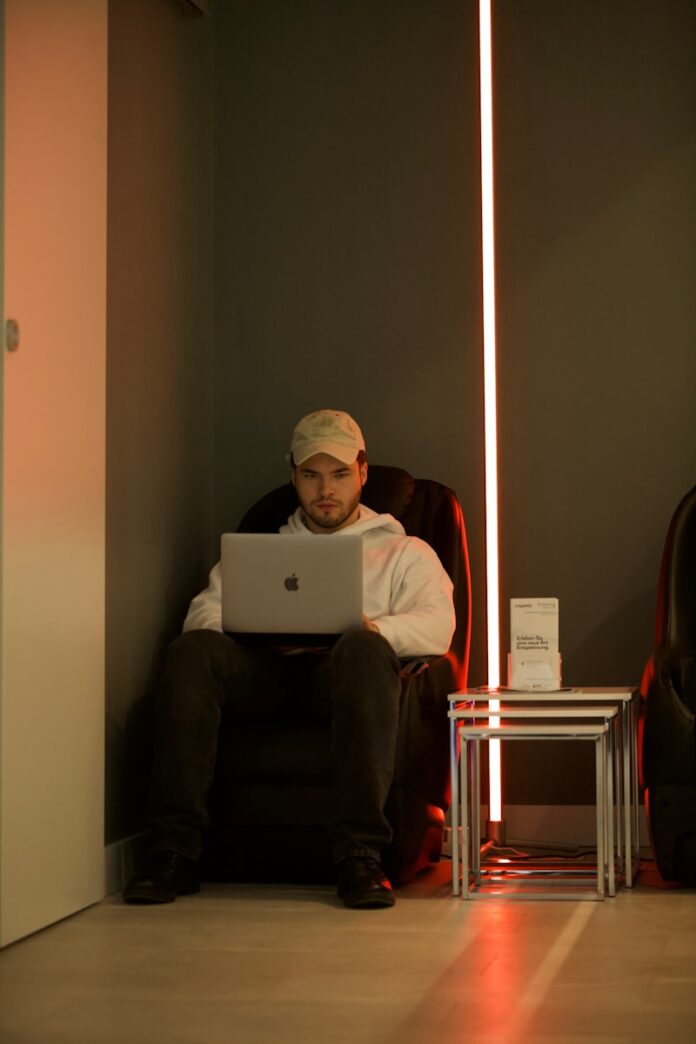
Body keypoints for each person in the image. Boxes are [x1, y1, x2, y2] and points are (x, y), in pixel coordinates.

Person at [124, 409, 455, 909]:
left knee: (365, 650)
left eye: (340, 474)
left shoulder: (406, 552)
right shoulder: (263, 550)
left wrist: (372, 629)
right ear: (293, 476)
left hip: (345, 679)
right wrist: (250, 624)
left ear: (363, 473)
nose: (326, 489)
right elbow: (200, 615)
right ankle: (173, 850)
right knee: (192, 652)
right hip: (266, 675)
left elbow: (438, 624)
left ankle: (359, 855)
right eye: (311, 475)